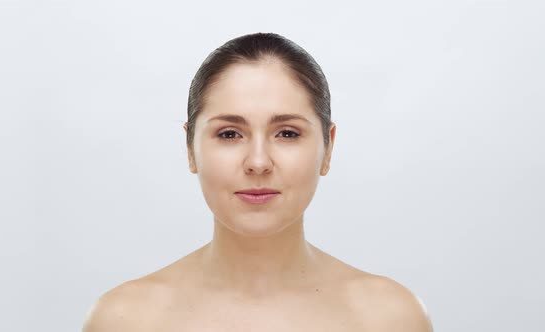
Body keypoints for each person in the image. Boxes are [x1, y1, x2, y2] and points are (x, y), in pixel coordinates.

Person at [82, 32, 433, 332]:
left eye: (287, 133)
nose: (258, 162)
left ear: (328, 148)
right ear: (190, 149)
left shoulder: (390, 318)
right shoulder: (125, 319)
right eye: (230, 133)